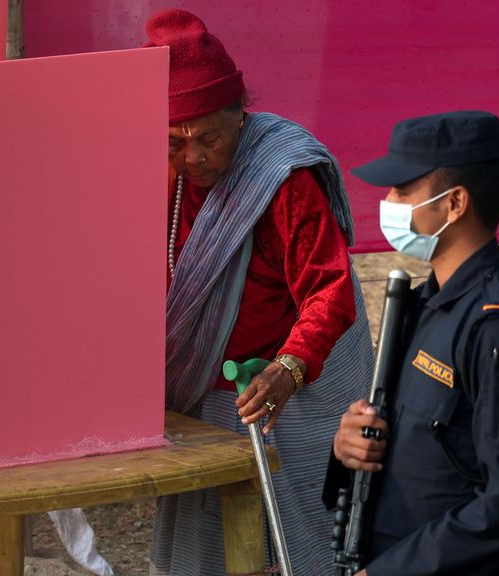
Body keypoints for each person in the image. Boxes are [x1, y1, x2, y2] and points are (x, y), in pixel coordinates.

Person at [146, 9, 374, 576]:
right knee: (209, 542)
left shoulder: (281, 174)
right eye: (176, 141)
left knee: (303, 531)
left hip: (289, 379)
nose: (193, 156)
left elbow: (329, 290)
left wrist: (289, 368)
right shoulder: (158, 170)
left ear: (239, 118)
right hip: (207, 382)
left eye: (208, 138)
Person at [327, 111, 499, 575]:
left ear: (455, 204)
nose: (388, 202)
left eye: (403, 190)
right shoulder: (422, 304)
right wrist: (347, 449)